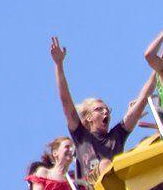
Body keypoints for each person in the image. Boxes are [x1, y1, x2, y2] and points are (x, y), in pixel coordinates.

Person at [52, 36, 147, 180]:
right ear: (89, 117)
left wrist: (159, 71)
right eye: (99, 109)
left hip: (119, 183)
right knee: (104, 164)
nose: (105, 112)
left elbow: (142, 100)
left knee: (142, 148)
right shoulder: (81, 135)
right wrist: (58, 64)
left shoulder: (116, 136)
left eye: (107, 109)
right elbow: (65, 101)